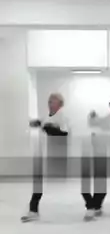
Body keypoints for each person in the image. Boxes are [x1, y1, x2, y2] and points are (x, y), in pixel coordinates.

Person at [21, 93, 70, 222]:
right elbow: (43, 123)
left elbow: (63, 133)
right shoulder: (48, 117)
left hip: (57, 157)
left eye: (53, 101)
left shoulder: (62, 116)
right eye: (49, 101)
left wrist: (48, 128)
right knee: (38, 181)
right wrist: (37, 123)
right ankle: (33, 210)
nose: (50, 104)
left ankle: (92, 205)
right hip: (45, 154)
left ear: (59, 104)